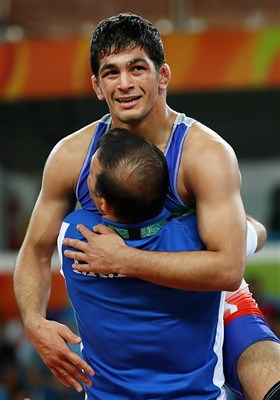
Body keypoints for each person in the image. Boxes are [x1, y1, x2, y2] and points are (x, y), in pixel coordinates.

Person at [13, 12, 280, 400]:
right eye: (111, 73)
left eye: (137, 68)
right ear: (96, 85)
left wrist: (123, 259)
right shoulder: (71, 156)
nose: (124, 84)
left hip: (214, 300)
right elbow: (35, 249)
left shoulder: (204, 154)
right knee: (246, 231)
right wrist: (33, 321)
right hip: (138, 322)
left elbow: (226, 268)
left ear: (163, 75)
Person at [58, 127, 268, 399]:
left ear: (103, 203)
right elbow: (257, 234)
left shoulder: (74, 234)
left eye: (91, 174)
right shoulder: (199, 240)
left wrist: (124, 259)